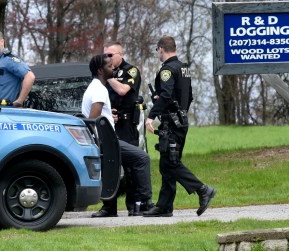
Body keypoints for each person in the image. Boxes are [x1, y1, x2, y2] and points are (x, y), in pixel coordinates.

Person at [143, 36, 216, 217]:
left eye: (157, 50)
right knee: (166, 165)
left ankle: (202, 189)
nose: (158, 53)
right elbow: (188, 96)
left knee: (171, 163)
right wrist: (180, 113)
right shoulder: (184, 69)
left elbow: (166, 96)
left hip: (171, 124)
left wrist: (151, 116)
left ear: (161, 49)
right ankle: (164, 206)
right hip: (181, 122)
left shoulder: (167, 70)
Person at [82, 53, 152, 218]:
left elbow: (95, 116)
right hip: (106, 140)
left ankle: (109, 208)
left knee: (111, 169)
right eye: (108, 66)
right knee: (142, 158)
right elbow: (94, 119)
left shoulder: (94, 87)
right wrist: (104, 139)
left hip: (104, 139)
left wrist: (108, 116)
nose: (113, 67)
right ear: (100, 70)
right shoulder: (99, 89)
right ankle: (146, 204)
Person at [0, 29, 35, 107]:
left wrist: (19, 101)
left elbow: (30, 77)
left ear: (2, 42)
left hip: (7, 112)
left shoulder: (9, 60)